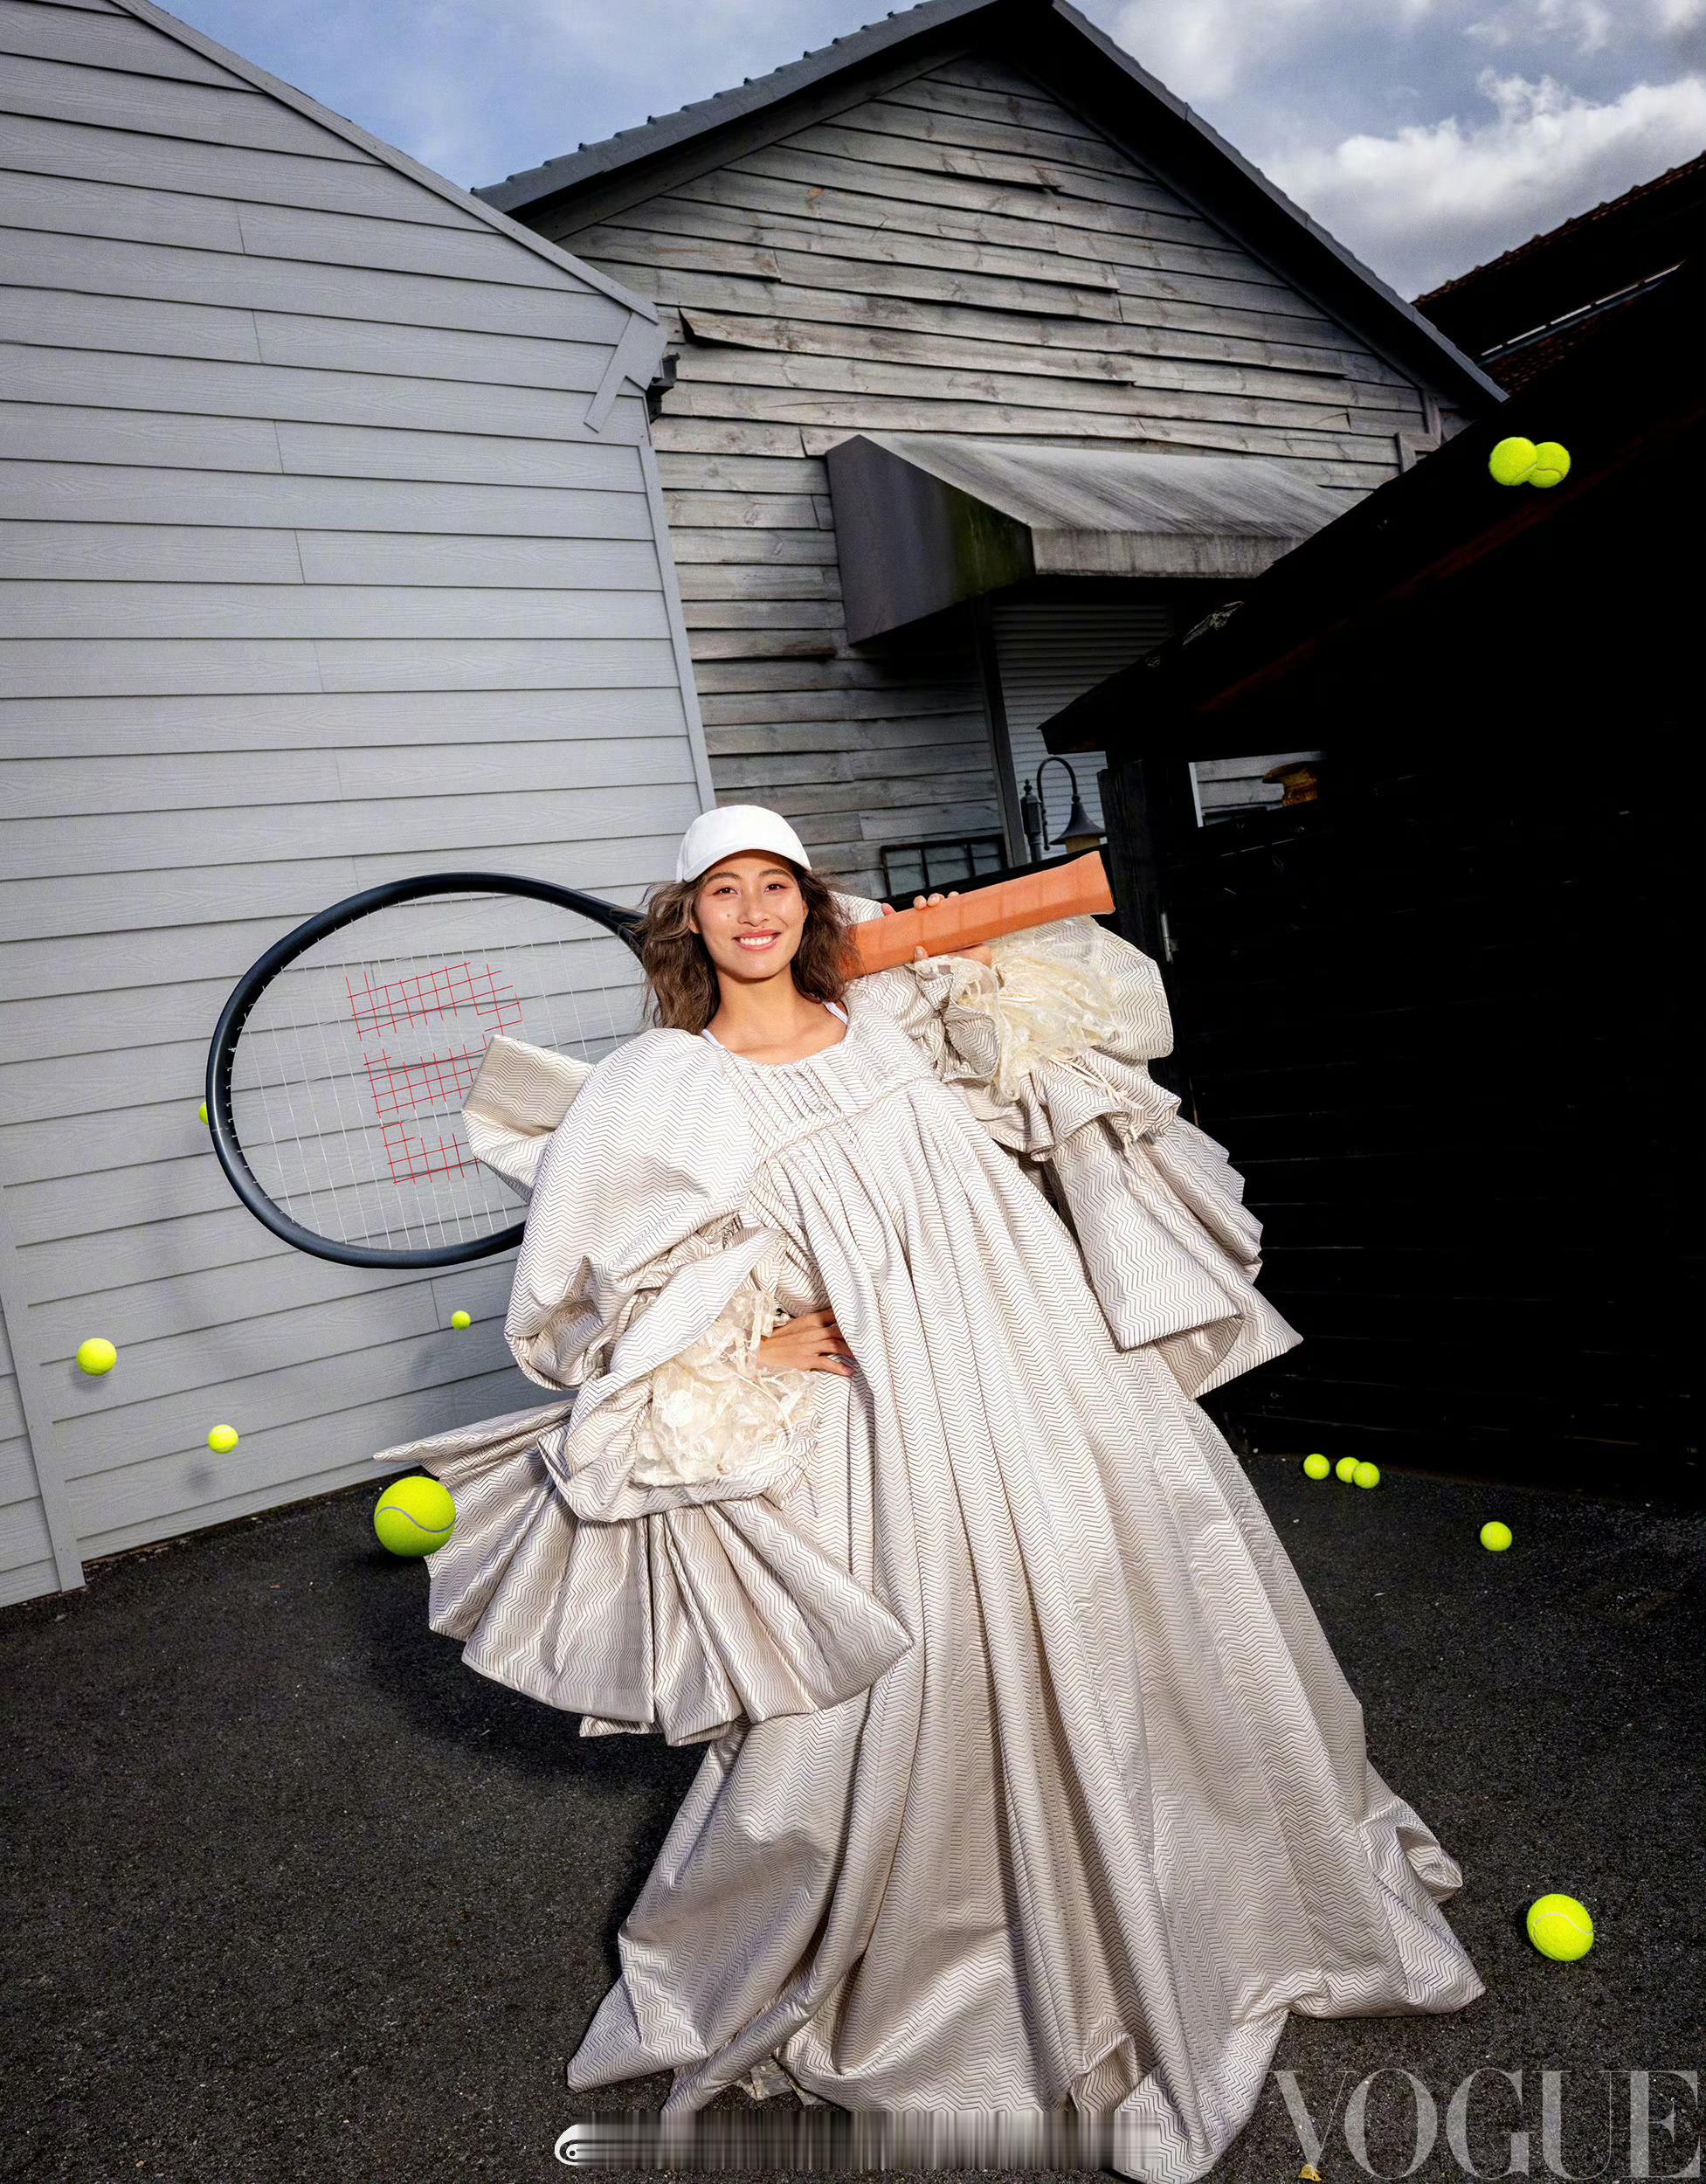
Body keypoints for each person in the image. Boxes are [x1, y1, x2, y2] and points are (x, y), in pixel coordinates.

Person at [372, 804, 1485, 2181]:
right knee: (895, 1684)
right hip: (882, 1415)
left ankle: (1224, 1897)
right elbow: (583, 1290)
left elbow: (1043, 1067)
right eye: (722, 891)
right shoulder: (663, 1085)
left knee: (1142, 1591)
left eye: (775, 884)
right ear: (687, 920)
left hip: (1039, 1358)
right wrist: (747, 1341)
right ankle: (928, 1955)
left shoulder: (893, 1015)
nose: (753, 911)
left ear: (808, 904)